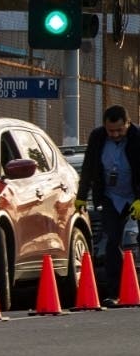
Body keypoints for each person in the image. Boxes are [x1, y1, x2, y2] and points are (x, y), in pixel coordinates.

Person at [77, 104, 140, 303]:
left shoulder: (138, 138)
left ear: (128, 124)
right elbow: (88, 167)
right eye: (110, 130)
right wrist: (81, 195)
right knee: (112, 242)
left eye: (119, 130)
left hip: (135, 195)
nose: (114, 134)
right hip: (110, 197)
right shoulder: (97, 138)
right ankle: (116, 293)